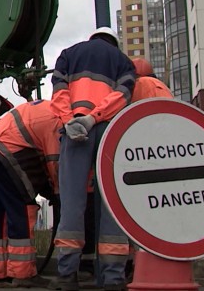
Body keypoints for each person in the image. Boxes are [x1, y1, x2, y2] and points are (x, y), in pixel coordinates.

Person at [49, 27, 135, 291]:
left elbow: (59, 92)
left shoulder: (68, 54)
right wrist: (95, 117)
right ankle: (113, 277)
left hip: (75, 131)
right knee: (111, 204)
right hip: (110, 132)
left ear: (92, 38)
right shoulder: (123, 62)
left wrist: (71, 121)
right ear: (114, 43)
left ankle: (67, 276)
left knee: (73, 202)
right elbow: (122, 97)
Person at [0, 99, 62, 288]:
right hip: (4, 151)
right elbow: (54, 163)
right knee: (21, 208)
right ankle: (23, 274)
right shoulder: (57, 120)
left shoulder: (45, 107)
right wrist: (58, 193)